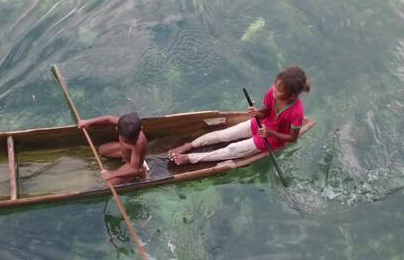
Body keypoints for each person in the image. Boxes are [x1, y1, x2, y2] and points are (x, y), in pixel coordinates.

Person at [169, 66, 310, 165]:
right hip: (258, 124)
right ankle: (190, 145)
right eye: (275, 85)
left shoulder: (296, 112)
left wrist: (270, 133)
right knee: (222, 135)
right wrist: (257, 113)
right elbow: (265, 112)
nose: (274, 90)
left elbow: (292, 138)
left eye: (279, 90)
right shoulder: (271, 93)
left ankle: (190, 158)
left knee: (231, 150)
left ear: (291, 96)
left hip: (270, 140)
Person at [77, 112, 149, 185]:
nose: (131, 143)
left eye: (133, 141)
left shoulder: (138, 144)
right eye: (127, 141)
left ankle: (142, 167)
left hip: (134, 165)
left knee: (109, 183)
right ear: (117, 128)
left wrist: (112, 174)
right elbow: (108, 119)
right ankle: (128, 158)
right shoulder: (123, 124)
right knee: (101, 150)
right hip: (125, 152)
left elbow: (134, 169)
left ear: (140, 129)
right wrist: (88, 122)